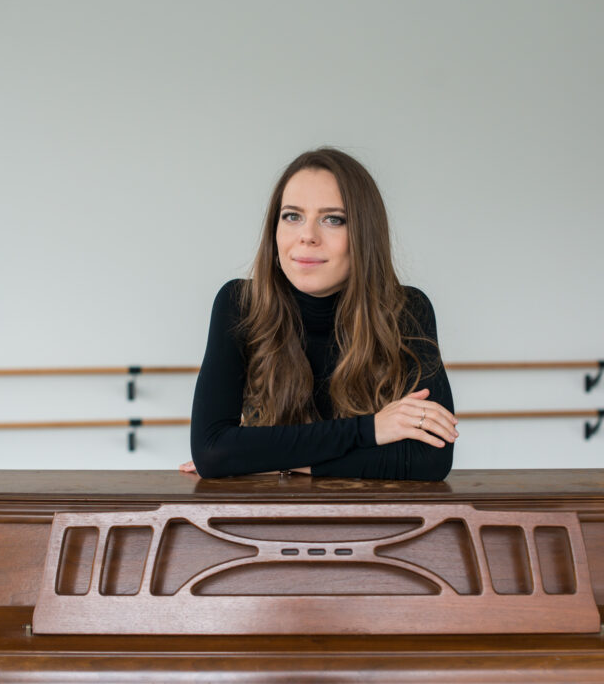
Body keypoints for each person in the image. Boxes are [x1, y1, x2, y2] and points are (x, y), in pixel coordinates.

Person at [180, 147, 458, 480]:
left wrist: (266, 457)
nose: (307, 236)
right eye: (292, 216)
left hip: (377, 525)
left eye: (333, 219)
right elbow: (213, 451)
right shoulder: (239, 304)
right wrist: (370, 430)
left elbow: (429, 461)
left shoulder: (407, 310)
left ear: (363, 236)